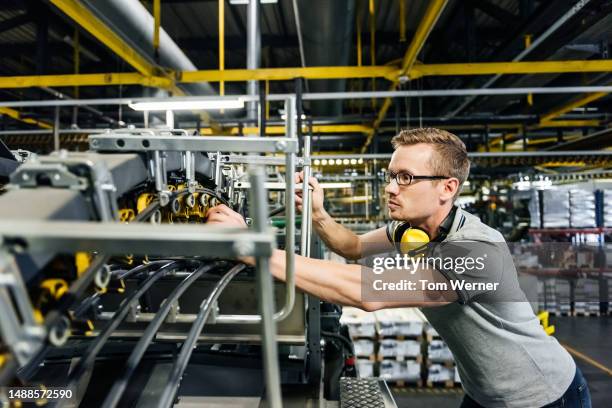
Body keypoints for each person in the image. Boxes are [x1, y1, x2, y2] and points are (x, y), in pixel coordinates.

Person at [206, 128, 591, 408]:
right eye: (391, 176)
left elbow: (367, 291)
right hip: (484, 392)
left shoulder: (478, 249)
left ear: (448, 188)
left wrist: (254, 250)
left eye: (406, 178)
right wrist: (319, 213)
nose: (391, 187)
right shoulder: (411, 230)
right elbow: (353, 247)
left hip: (542, 395)